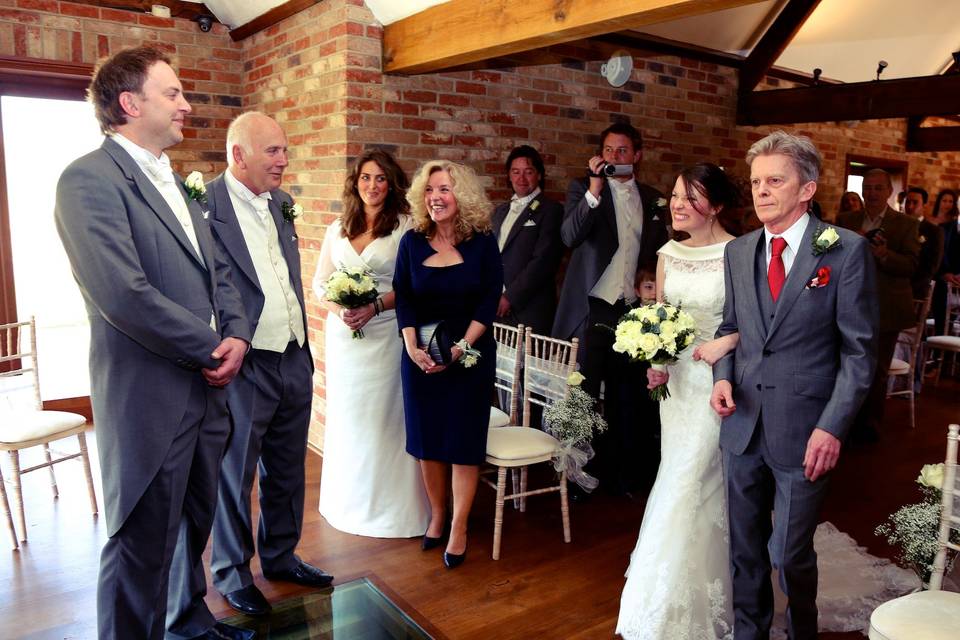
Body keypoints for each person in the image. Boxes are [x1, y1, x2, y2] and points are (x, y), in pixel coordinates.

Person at [54, 47, 254, 640]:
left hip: (207, 393)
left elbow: (220, 271)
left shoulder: (176, 180)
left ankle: (186, 619)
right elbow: (124, 295)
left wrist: (239, 333)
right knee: (140, 542)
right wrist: (213, 348)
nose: (185, 104)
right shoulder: (87, 180)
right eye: (172, 93)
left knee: (194, 523)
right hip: (150, 395)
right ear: (129, 103)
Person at [711, 131, 878, 640]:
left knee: (788, 551)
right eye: (756, 182)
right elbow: (729, 328)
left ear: (807, 188)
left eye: (775, 181)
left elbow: (859, 352)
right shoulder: (738, 252)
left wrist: (832, 428)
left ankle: (802, 630)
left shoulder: (845, 252)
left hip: (806, 431)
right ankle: (749, 633)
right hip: (741, 423)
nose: (761, 192)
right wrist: (721, 378)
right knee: (744, 548)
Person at [203, 112, 331, 619]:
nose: (284, 160)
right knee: (236, 474)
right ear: (239, 155)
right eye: (273, 152)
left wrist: (303, 350)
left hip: (293, 356)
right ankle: (232, 574)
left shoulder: (282, 204)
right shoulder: (204, 206)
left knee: (286, 468)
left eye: (284, 149)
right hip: (246, 361)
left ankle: (280, 556)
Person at [616, 163, 740, 639]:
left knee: (695, 478)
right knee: (677, 472)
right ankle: (664, 595)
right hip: (678, 386)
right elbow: (661, 316)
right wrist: (656, 358)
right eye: (674, 195)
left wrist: (724, 347)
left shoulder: (737, 252)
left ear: (718, 204)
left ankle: (692, 598)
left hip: (718, 381)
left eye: (690, 196)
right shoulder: (667, 251)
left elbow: (753, 321)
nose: (678, 204)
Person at [313, 148, 430, 538]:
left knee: (386, 418)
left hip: (386, 335)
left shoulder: (407, 228)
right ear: (355, 182)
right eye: (365, 177)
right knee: (351, 419)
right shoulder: (338, 227)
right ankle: (346, 502)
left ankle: (392, 509)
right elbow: (318, 284)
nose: (372, 185)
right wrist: (340, 309)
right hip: (345, 339)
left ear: (391, 183)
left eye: (380, 178)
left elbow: (414, 285)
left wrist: (375, 306)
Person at [393, 160, 503, 569]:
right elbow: (404, 296)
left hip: (469, 356)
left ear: (463, 197)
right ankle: (437, 516)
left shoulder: (483, 242)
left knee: (462, 445)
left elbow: (489, 299)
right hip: (420, 356)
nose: (435, 197)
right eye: (430, 190)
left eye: (445, 189)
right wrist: (411, 347)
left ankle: (459, 527)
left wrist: (462, 346)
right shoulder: (412, 242)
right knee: (428, 444)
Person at [552, 122, 669, 497]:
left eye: (622, 151)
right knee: (582, 395)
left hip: (633, 311)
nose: (614, 157)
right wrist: (593, 190)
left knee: (628, 396)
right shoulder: (582, 189)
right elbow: (569, 237)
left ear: (637, 155)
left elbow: (657, 253)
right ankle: (573, 477)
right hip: (592, 309)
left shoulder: (653, 198)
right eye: (608, 150)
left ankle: (624, 475)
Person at [836, 169, 919, 443]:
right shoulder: (846, 221)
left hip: (887, 306)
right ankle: (841, 423)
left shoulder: (905, 224)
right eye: (867, 188)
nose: (871, 193)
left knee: (876, 369)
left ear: (889, 192)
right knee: (844, 364)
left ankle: (868, 427)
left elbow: (912, 266)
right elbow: (830, 257)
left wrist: (884, 255)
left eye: (877, 188)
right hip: (849, 303)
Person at [492, 145, 564, 334]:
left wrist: (510, 297)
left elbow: (543, 262)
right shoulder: (500, 211)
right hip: (494, 307)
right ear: (509, 175)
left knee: (527, 363)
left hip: (529, 309)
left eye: (528, 172)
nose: (521, 178)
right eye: (515, 172)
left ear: (539, 175)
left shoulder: (551, 210)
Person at [903, 186, 944, 299]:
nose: (910, 206)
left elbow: (932, 266)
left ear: (924, 205)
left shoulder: (934, 232)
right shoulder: (898, 227)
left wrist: (909, 287)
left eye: (915, 202)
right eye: (907, 202)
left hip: (916, 290)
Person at [932, 189, 960, 334]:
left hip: (952, 275)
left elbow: (955, 252)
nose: (947, 205)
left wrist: (955, 273)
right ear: (939, 202)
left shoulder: (955, 226)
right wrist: (942, 273)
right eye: (944, 201)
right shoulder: (932, 223)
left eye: (951, 201)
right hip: (936, 275)